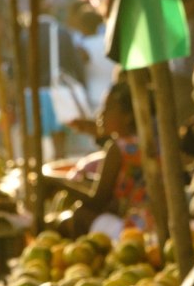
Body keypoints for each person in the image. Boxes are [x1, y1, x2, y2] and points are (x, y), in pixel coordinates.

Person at [42, 83, 151, 237]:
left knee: (79, 215)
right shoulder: (143, 142)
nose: (101, 114)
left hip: (132, 229)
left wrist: (58, 184)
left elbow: (98, 201)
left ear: (127, 117)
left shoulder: (117, 148)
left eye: (108, 108)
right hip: (147, 222)